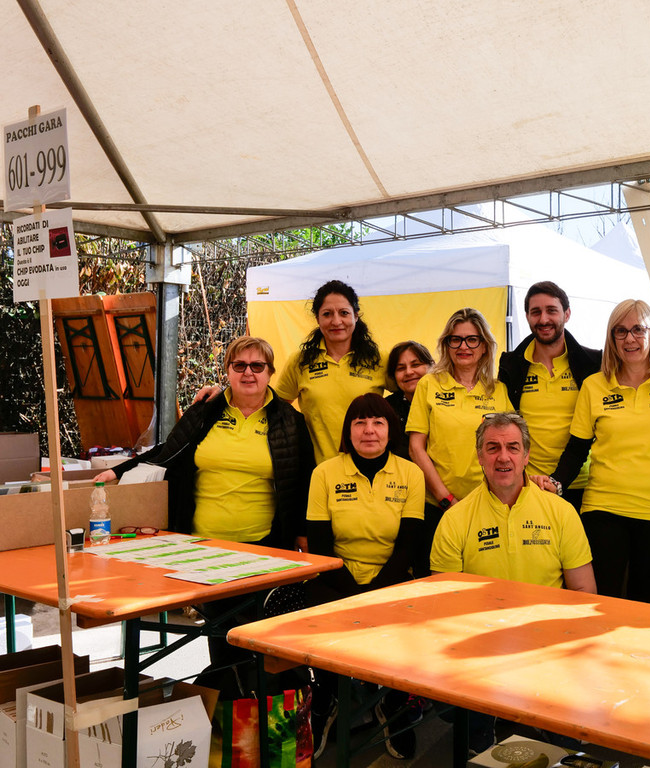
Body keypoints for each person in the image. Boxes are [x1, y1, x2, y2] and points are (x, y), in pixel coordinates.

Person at [95, 336, 315, 664]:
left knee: (255, 640)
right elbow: (169, 450)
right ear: (227, 370)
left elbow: (303, 477)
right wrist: (119, 470)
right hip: (203, 547)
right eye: (239, 365)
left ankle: (242, 693)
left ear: (270, 372)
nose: (248, 373)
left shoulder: (289, 420)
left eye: (258, 366)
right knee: (220, 636)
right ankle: (223, 693)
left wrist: (302, 533)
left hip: (261, 548)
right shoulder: (206, 410)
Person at [431, 412, 595, 754]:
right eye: (492, 448)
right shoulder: (454, 520)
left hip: (549, 644)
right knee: (475, 749)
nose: (503, 457)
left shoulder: (561, 512)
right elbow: (444, 604)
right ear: (479, 456)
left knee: (566, 752)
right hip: (480, 648)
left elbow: (584, 593)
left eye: (512, 447)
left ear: (526, 455)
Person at [306, 393, 425, 758]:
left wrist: (374, 592)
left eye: (378, 423)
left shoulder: (411, 474)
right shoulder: (324, 473)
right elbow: (320, 547)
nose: (369, 431)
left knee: (403, 625)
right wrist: (354, 593)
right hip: (336, 577)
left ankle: (390, 700)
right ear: (348, 431)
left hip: (390, 578)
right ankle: (327, 696)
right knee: (321, 625)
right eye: (360, 423)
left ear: (391, 430)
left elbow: (408, 546)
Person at [548, 299, 650, 604]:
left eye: (638, 329)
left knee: (646, 607)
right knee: (601, 603)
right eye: (620, 331)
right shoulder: (594, 386)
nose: (629, 339)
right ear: (611, 338)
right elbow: (577, 449)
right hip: (603, 510)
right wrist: (556, 483)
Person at [407, 308, 513, 576]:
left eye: (472, 339)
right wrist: (446, 499)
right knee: (438, 584)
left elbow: (509, 447)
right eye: (456, 339)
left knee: (485, 581)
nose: (463, 346)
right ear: (447, 344)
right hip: (438, 506)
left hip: (487, 506)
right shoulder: (429, 385)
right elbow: (416, 448)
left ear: (484, 346)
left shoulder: (497, 390)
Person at [498, 281, 602, 510]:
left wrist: (559, 480)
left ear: (567, 314)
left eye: (551, 310)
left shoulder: (593, 363)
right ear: (527, 317)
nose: (543, 319)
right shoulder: (511, 365)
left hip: (582, 485)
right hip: (529, 484)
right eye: (536, 312)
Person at [275, 280, 386, 465]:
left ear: (356, 316)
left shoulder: (379, 359)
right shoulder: (300, 362)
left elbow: (412, 393)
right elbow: (275, 408)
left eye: (344, 313)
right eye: (327, 314)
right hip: (319, 470)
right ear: (317, 319)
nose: (336, 321)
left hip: (370, 468)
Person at [383, 341, 434, 460]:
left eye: (415, 365)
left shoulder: (447, 401)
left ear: (432, 367)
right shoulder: (386, 409)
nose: (409, 372)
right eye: (401, 368)